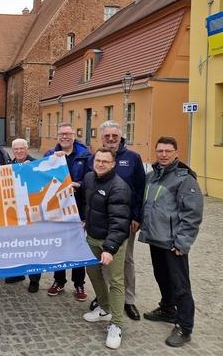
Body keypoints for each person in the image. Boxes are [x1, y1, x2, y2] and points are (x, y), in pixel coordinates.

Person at [139, 137, 203, 347]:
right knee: (161, 276)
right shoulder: (151, 176)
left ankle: (185, 327)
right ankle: (167, 308)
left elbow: (192, 214)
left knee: (180, 284)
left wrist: (182, 243)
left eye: (168, 151)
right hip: (156, 239)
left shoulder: (185, 179)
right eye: (160, 151)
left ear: (176, 152)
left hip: (173, 243)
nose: (164, 154)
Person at [89, 120, 145, 321]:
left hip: (123, 221)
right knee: (102, 261)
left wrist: (137, 216)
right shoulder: (94, 158)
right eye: (107, 136)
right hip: (99, 222)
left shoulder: (133, 158)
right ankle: (105, 300)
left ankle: (128, 300)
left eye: (114, 136)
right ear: (101, 137)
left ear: (120, 137)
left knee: (125, 261)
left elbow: (140, 188)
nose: (111, 139)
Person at [81, 148, 132, 350]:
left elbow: (120, 222)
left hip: (111, 242)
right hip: (92, 237)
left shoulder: (119, 187)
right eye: (98, 160)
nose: (100, 164)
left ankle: (117, 325)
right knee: (92, 271)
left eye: (105, 161)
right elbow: (88, 202)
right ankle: (104, 308)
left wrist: (110, 248)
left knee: (116, 280)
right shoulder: (89, 178)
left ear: (113, 164)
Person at [38, 123, 90, 300]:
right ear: (57, 136)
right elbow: (40, 176)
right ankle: (59, 281)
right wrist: (52, 160)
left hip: (78, 208)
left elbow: (91, 179)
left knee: (77, 247)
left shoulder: (85, 155)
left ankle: (79, 284)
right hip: (56, 209)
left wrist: (79, 184)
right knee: (58, 246)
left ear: (74, 135)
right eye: (61, 134)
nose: (64, 137)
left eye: (68, 133)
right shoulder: (49, 155)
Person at [4, 138, 39, 289]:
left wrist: (30, 170)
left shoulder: (35, 164)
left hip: (30, 212)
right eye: (16, 149)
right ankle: (18, 273)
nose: (18, 151)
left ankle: (34, 279)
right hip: (14, 213)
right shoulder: (9, 166)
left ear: (27, 148)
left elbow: (39, 185)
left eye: (21, 148)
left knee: (31, 246)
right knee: (16, 245)